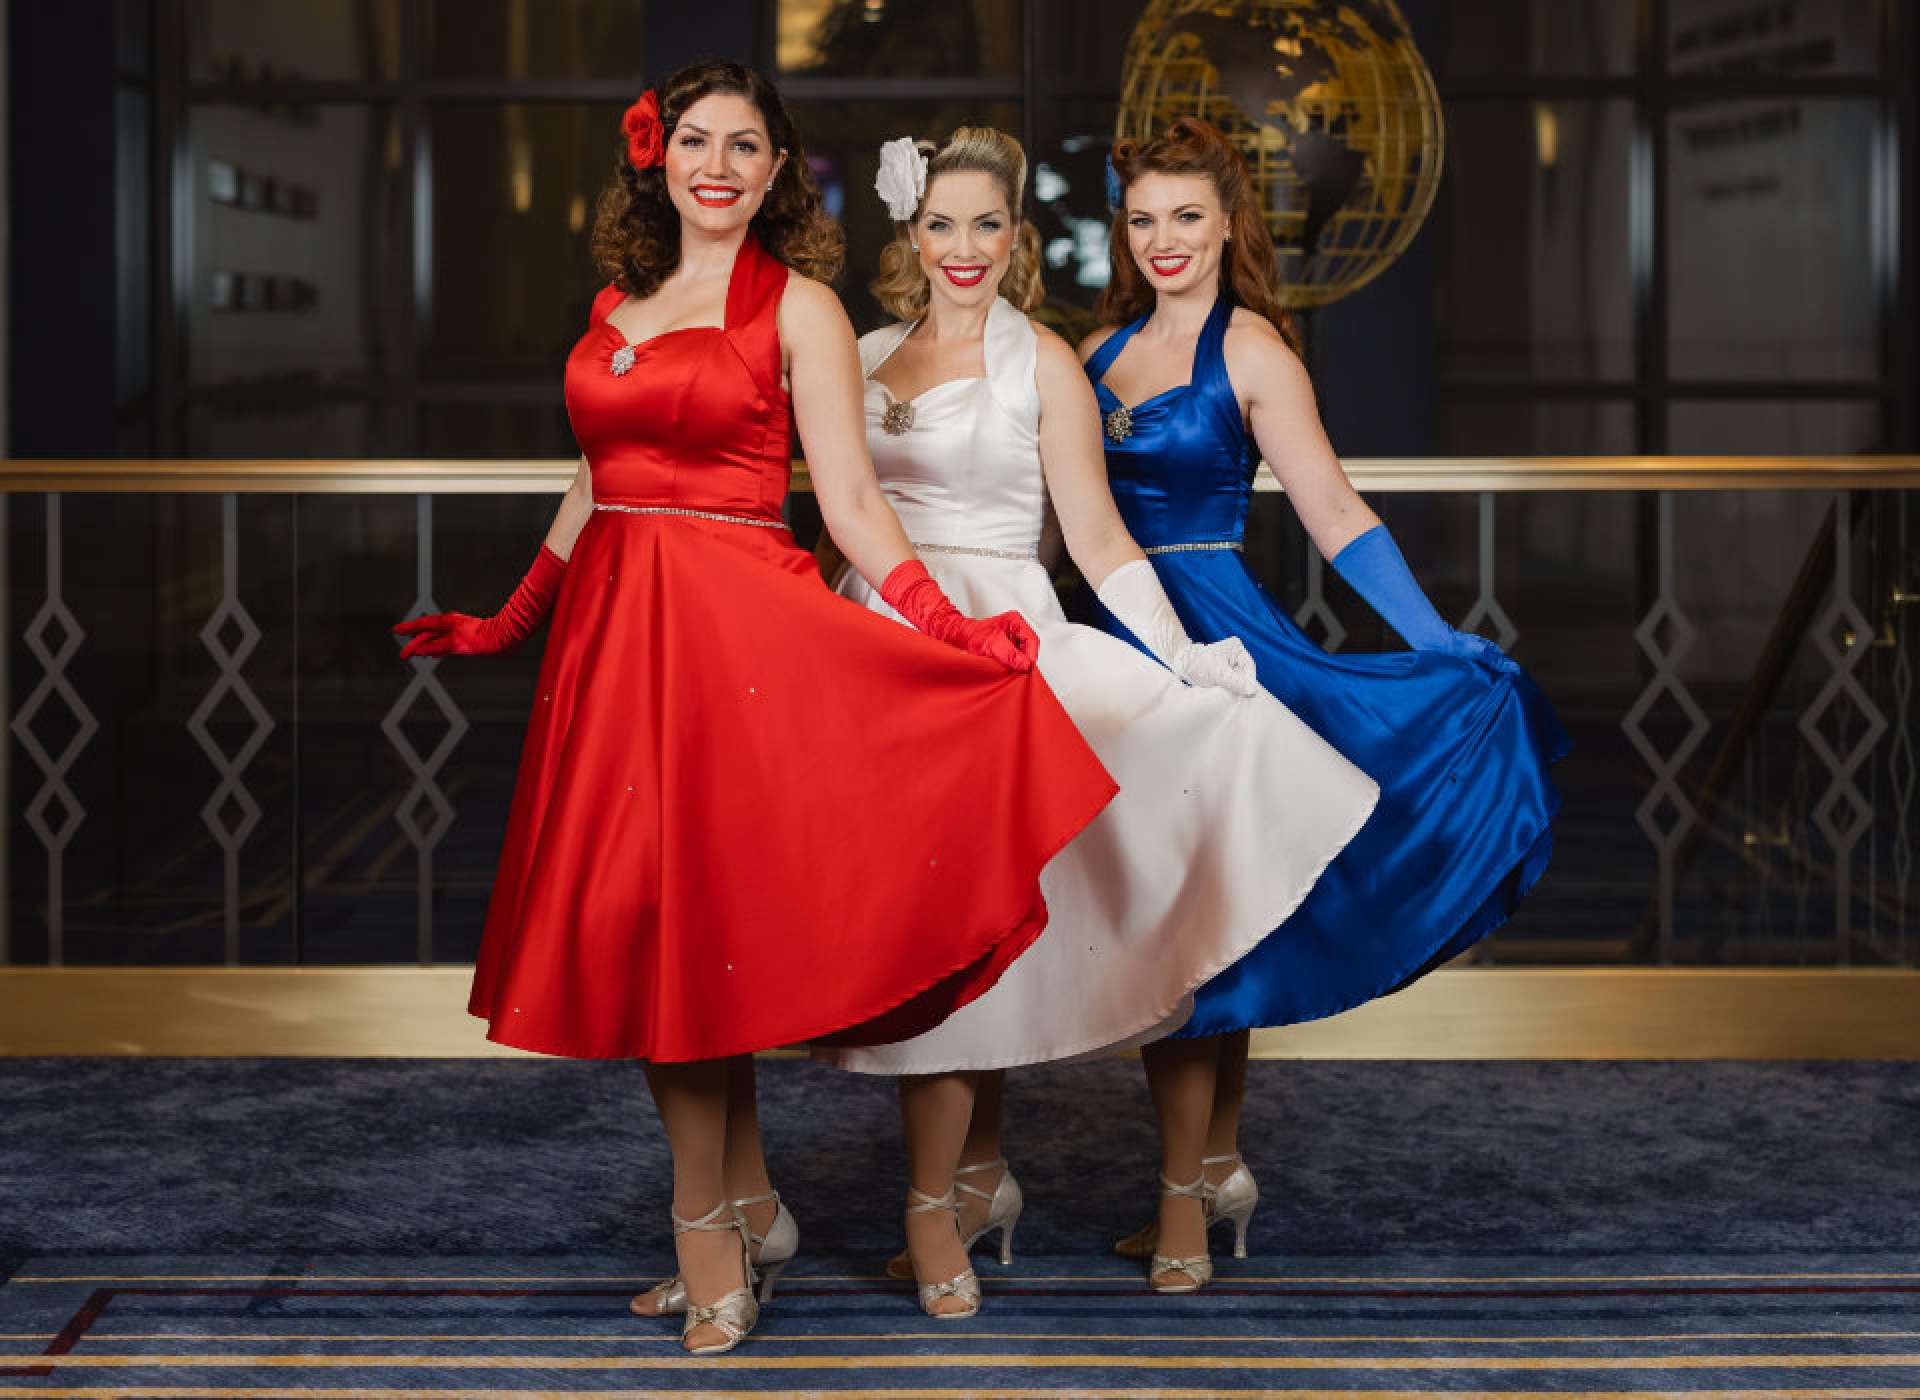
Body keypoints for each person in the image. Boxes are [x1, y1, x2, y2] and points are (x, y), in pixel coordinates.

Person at [391, 62, 1117, 1354]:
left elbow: (847, 498)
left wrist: (947, 623)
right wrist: (509, 618)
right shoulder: (619, 300)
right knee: (649, 931)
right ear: (657, 160)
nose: (716, 162)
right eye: (694, 140)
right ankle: (729, 1213)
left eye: (744, 145)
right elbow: (594, 478)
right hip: (618, 641)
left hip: (737, 637)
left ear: (778, 172)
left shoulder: (803, 312)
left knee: (712, 934)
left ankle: (718, 1234)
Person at [810, 127, 1377, 1316]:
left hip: (996, 645)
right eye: (940, 224)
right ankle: (975, 1175)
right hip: (873, 651)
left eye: (986, 225)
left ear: (1017, 237)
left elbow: (1103, 539)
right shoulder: (852, 355)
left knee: (977, 920)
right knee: (904, 923)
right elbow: (838, 527)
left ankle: (952, 1204)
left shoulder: (1047, 364)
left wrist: (1178, 658)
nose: (963, 247)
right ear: (909, 235)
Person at [1080, 115, 1568, 1292]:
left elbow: (1334, 511)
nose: (1164, 240)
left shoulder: (1254, 353)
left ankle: (1185, 1206)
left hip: (1225, 649)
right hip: (1114, 643)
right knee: (1175, 921)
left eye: (1186, 215)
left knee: (1204, 932)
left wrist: (1438, 639)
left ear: (1229, 221)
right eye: (1143, 218)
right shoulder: (1090, 354)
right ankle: (1219, 1165)